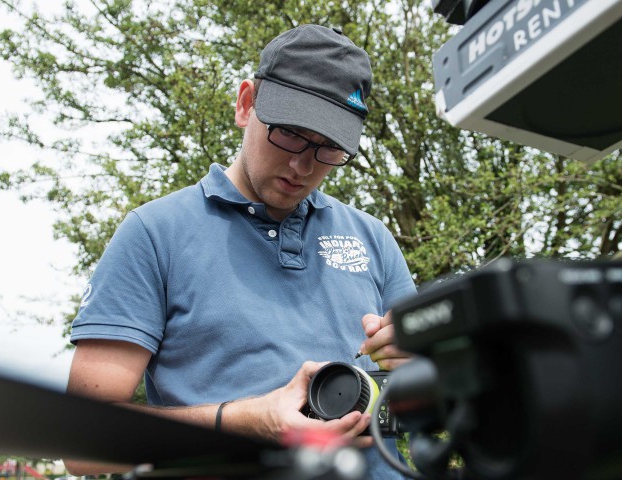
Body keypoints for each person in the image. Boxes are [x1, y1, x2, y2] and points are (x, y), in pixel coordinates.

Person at [65, 24, 417, 479]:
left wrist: (418, 371)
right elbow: (80, 444)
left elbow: (431, 405)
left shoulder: (373, 237)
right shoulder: (153, 234)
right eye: (290, 133)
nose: (303, 165)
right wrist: (249, 422)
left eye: (328, 148)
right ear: (246, 103)